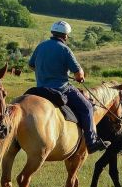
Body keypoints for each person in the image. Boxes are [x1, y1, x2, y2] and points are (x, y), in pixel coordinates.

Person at [28, 21, 109, 153]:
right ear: (65, 36)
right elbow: (78, 74)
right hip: (61, 88)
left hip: (40, 88)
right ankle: (91, 142)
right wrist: (80, 77)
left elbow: (31, 65)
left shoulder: (41, 46)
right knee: (87, 107)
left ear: (52, 33)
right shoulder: (65, 49)